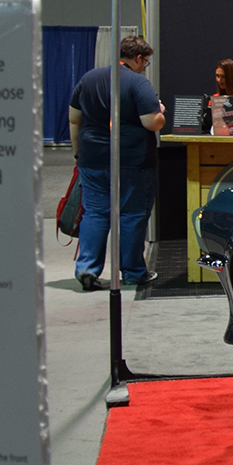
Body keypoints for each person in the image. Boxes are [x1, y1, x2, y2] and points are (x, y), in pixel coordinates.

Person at [68, 35, 166, 290]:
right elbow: (151, 122)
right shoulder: (138, 83)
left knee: (95, 212)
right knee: (132, 214)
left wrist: (78, 154)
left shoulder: (89, 78)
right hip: (132, 161)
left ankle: (87, 269)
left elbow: (74, 118)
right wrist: (161, 112)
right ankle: (133, 272)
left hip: (91, 159)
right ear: (138, 58)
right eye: (145, 62)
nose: (144, 67)